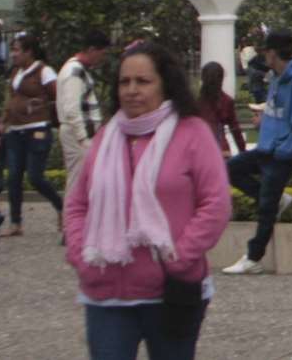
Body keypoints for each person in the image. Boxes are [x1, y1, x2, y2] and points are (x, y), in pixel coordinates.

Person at [64, 40, 232, 360]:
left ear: (164, 84)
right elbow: (77, 205)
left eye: (143, 81)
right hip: (106, 295)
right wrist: (80, 255)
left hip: (170, 291)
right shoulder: (106, 137)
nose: (132, 90)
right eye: (124, 82)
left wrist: (178, 257)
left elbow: (216, 203)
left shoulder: (192, 132)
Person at [220, 30, 292, 276]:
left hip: (281, 153)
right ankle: (276, 201)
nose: (265, 57)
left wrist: (285, 149)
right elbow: (279, 111)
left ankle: (253, 258)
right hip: (267, 147)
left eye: (266, 52)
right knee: (230, 170)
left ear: (272, 53)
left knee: (266, 208)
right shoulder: (277, 77)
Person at [2, 33, 63, 236]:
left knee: (35, 176)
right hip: (15, 131)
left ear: (29, 52)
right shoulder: (16, 72)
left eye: (17, 50)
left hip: (37, 129)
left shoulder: (44, 72)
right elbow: (11, 98)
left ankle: (60, 206)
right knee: (13, 177)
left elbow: (57, 97)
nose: (13, 54)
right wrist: (5, 120)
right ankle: (16, 222)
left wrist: (43, 108)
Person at [59, 30, 111, 186]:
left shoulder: (79, 70)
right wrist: (82, 138)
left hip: (81, 133)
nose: (103, 58)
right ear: (91, 50)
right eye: (102, 53)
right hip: (77, 134)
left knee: (82, 179)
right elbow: (71, 109)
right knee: (78, 181)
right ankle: (70, 210)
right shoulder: (75, 71)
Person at [194, 64, 246, 158]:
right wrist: (243, 152)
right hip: (222, 150)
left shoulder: (196, 103)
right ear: (221, 79)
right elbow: (235, 130)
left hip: (200, 150)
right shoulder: (227, 101)